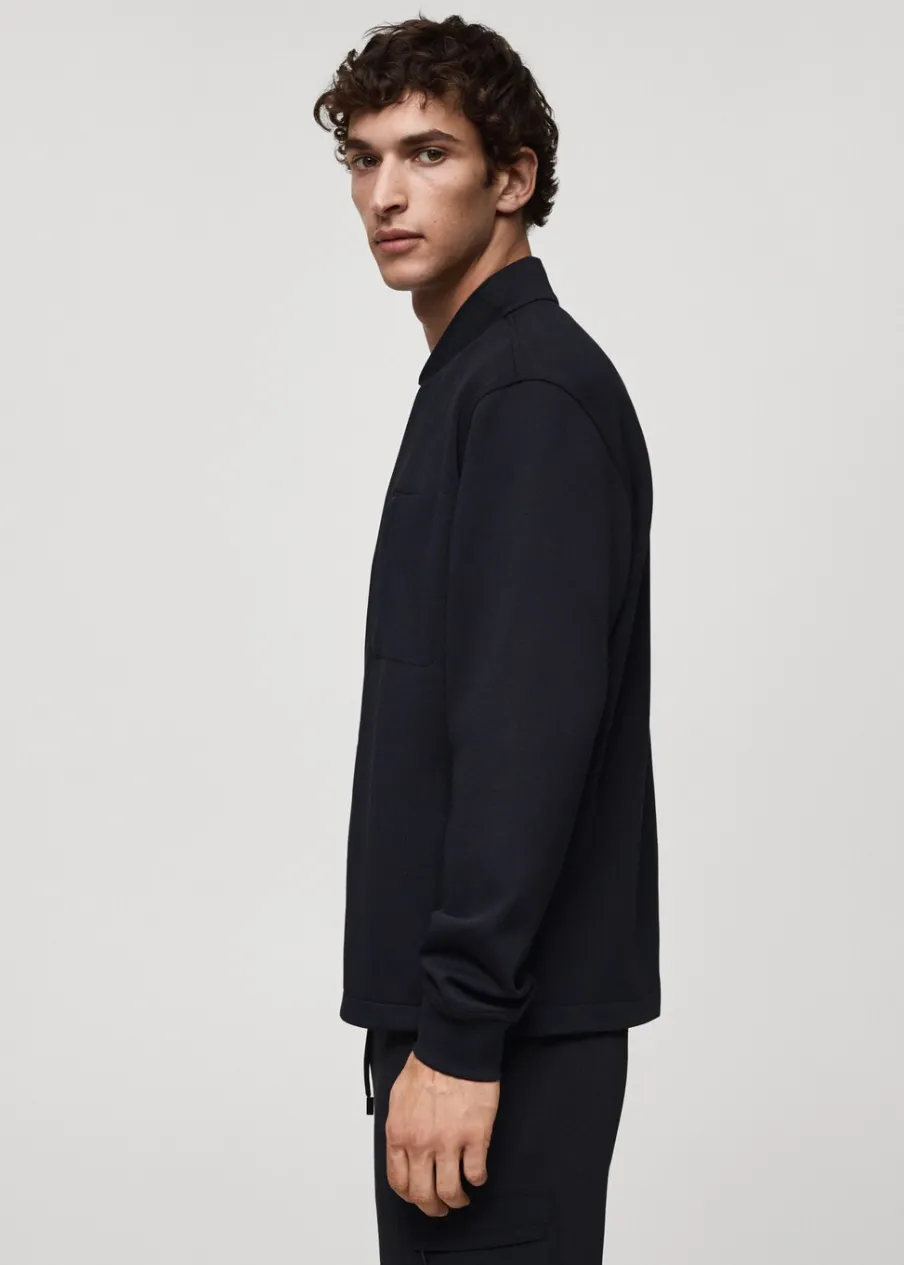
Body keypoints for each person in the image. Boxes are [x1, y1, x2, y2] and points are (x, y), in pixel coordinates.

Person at [313, 14, 661, 1263]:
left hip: (498, 1029)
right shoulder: (484, 380)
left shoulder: (524, 393)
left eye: (428, 153)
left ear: (512, 178)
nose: (386, 194)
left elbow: (525, 738)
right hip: (475, 1012)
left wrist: (459, 1034)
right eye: (364, 159)